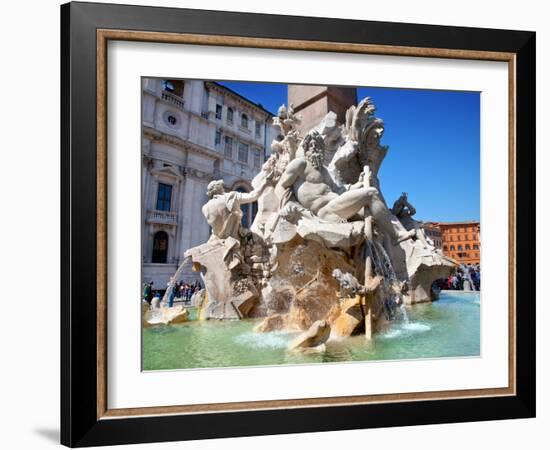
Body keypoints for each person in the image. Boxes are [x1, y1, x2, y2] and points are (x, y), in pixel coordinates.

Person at [278, 131, 415, 244]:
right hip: (325, 211)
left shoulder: (324, 171)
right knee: (371, 193)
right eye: (311, 145)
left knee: (376, 219)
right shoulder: (300, 164)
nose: (315, 148)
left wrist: (358, 184)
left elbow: (339, 190)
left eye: (318, 146)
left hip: (337, 204)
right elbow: (281, 186)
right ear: (306, 147)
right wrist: (287, 205)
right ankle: (396, 235)